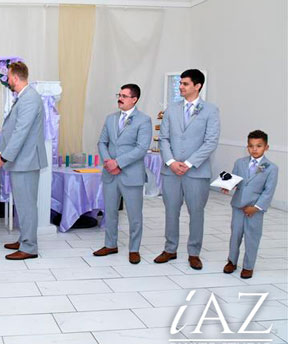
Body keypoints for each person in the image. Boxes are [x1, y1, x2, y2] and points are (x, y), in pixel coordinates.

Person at [155, 69, 220, 270]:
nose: (181, 87)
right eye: (180, 83)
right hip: (171, 171)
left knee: (196, 212)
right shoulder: (171, 110)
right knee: (171, 211)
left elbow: (211, 141)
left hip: (197, 172)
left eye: (185, 84)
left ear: (197, 86)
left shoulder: (210, 110)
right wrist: (172, 162)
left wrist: (190, 163)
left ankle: (194, 253)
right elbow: (163, 138)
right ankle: (170, 249)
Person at [0, 62, 47, 260]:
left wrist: (4, 157)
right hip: (22, 160)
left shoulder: (30, 98)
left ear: (14, 76)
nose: (7, 80)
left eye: (8, 76)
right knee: (23, 204)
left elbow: (21, 132)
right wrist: (1, 152)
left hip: (27, 160)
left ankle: (29, 247)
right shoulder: (24, 97)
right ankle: (25, 238)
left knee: (27, 205)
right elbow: (14, 131)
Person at [94, 84, 152, 264]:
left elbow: (141, 148)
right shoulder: (110, 119)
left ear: (134, 99)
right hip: (110, 173)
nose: (120, 98)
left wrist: (118, 163)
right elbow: (102, 142)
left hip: (131, 174)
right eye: (119, 95)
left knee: (135, 215)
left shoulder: (144, 120)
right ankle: (110, 244)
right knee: (110, 212)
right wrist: (108, 162)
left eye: (124, 96)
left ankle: (134, 249)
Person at [222, 130, 278, 279]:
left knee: (252, 237)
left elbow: (268, 191)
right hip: (238, 206)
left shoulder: (271, 168)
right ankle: (231, 261)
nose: (254, 149)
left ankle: (248, 266)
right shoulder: (240, 163)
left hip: (254, 209)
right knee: (235, 236)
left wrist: (256, 207)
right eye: (251, 146)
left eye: (258, 146)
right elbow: (235, 180)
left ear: (266, 147)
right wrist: (228, 185)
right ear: (247, 146)